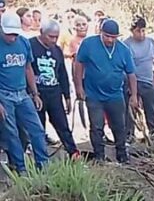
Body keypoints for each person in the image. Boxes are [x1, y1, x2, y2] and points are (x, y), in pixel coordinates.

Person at [74, 18, 138, 163]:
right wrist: (78, 87)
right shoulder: (88, 44)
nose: (110, 40)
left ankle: (122, 154)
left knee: (119, 126)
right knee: (96, 126)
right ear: (101, 32)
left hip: (115, 94)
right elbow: (78, 64)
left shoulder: (123, 50)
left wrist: (134, 95)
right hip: (93, 94)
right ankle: (99, 155)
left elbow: (131, 74)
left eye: (113, 37)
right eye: (107, 36)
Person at [0, 12, 48, 173]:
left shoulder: (24, 43)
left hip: (22, 93)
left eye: (14, 34)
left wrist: (35, 93)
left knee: (37, 129)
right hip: (4, 94)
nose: (12, 37)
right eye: (9, 34)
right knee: (11, 132)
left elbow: (28, 68)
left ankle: (43, 164)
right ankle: (21, 168)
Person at [30, 19, 80, 159]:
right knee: (38, 127)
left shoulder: (57, 49)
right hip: (37, 93)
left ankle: (74, 153)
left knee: (62, 124)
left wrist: (68, 96)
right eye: (50, 36)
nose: (54, 40)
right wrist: (32, 93)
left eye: (56, 37)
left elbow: (62, 73)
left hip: (54, 93)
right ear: (41, 33)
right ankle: (40, 158)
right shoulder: (30, 45)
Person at [123, 17, 154, 142]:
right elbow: (123, 65)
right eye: (138, 31)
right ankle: (129, 135)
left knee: (151, 109)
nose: (141, 34)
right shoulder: (126, 44)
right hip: (132, 81)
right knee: (130, 111)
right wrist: (129, 85)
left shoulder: (151, 42)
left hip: (148, 81)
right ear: (132, 31)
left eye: (143, 30)